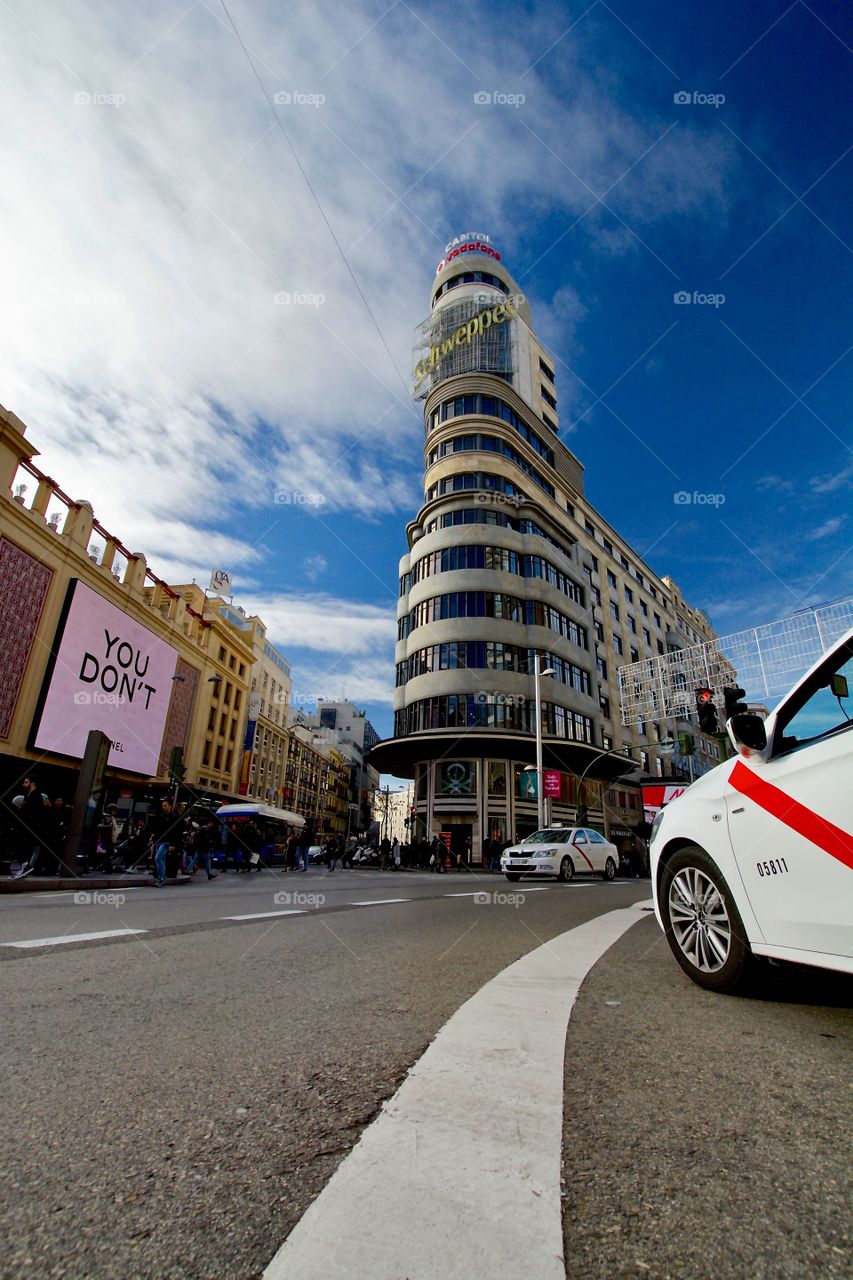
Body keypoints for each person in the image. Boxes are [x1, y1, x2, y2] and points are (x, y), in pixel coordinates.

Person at [13, 776, 49, 878]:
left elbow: (35, 814)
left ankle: (27, 866)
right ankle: (26, 867)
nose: (23, 784)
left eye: (26, 782)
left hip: (31, 828)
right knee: (27, 848)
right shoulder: (28, 796)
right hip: (28, 828)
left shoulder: (36, 796)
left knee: (25, 848)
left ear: (32, 783)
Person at [147, 798, 184, 886]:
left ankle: (161, 878)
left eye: (165, 805)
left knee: (158, 857)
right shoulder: (160, 816)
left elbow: (175, 832)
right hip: (159, 840)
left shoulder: (173, 818)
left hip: (167, 841)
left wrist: (173, 844)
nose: (163, 807)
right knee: (160, 859)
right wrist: (153, 839)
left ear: (170, 806)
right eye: (162, 805)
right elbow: (156, 829)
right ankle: (161, 876)